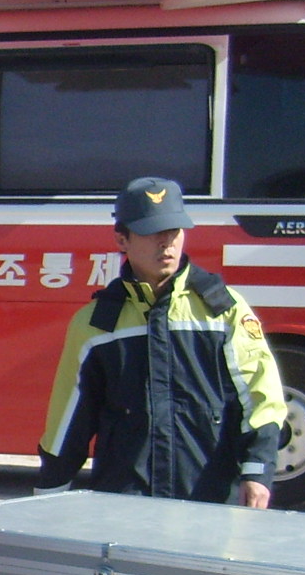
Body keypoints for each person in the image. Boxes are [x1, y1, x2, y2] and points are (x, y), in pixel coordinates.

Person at [38, 176, 286, 507]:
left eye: (173, 231)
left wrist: (257, 471)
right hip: (124, 504)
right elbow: (67, 421)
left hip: (209, 499)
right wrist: (48, 497)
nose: (166, 243)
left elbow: (260, 395)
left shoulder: (224, 310)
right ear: (122, 239)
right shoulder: (96, 325)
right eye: (152, 232)